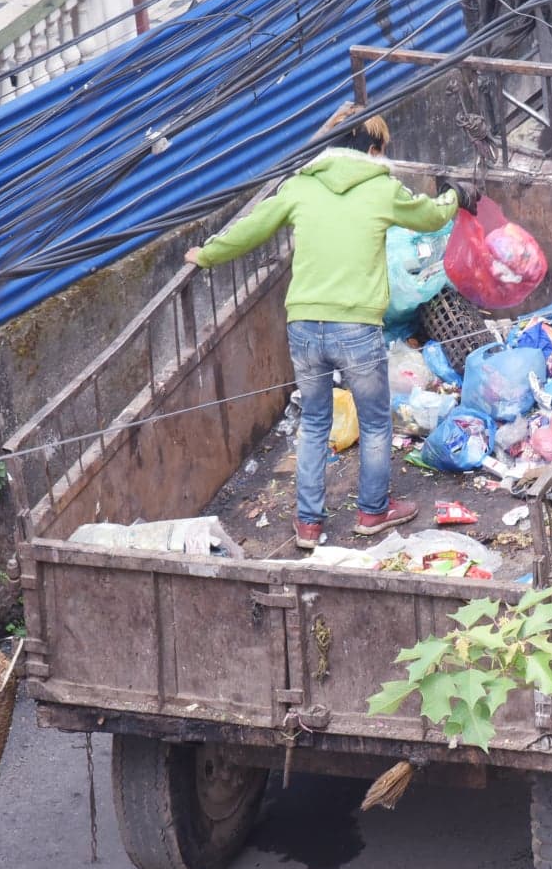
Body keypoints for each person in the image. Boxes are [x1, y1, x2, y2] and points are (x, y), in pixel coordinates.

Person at [185, 107, 469, 549]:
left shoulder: (299, 186)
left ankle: (308, 526)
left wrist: (205, 255)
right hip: (356, 327)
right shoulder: (380, 187)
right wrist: (453, 195)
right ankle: (373, 512)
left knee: (314, 423)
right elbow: (431, 218)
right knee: (376, 422)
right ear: (373, 151)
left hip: (303, 325)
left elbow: (251, 228)